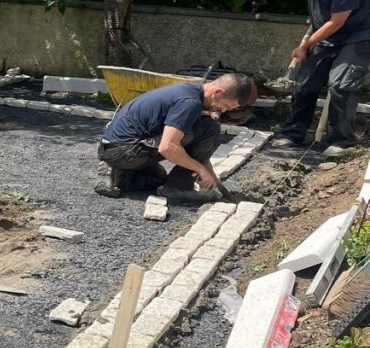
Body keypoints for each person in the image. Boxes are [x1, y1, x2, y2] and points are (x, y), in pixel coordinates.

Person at [94, 73, 255, 201]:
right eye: (225, 105)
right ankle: (177, 188)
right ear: (218, 92)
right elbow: (167, 147)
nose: (223, 110)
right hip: (125, 151)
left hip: (114, 148)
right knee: (208, 128)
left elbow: (199, 151)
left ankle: (120, 174)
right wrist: (199, 169)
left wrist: (212, 176)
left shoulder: (189, 91)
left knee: (159, 178)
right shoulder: (189, 102)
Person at [271, 0, 370, 157]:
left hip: (356, 36)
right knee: (305, 82)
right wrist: (316, 17)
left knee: (341, 84)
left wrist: (305, 46)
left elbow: (336, 22)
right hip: (327, 37)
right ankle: (292, 133)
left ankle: (341, 141)